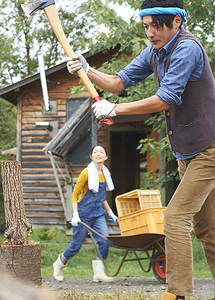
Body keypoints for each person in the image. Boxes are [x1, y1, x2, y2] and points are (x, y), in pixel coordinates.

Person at [64, 0, 215, 298]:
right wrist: (87, 70)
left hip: (209, 149)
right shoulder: (155, 53)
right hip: (188, 153)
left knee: (174, 219)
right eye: (146, 27)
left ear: (176, 21)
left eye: (155, 26)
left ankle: (177, 294)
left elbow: (166, 97)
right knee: (207, 230)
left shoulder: (187, 48)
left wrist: (115, 109)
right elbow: (119, 81)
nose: (150, 34)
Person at [53, 145, 118, 283]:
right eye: (95, 152)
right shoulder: (86, 173)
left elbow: (101, 197)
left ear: (106, 157)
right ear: (91, 156)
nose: (98, 154)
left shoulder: (106, 174)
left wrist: (110, 212)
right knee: (76, 245)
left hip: (98, 214)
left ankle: (99, 274)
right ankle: (59, 264)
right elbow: (74, 194)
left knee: (105, 240)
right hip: (83, 213)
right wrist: (75, 215)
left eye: (101, 152)